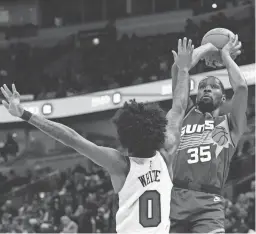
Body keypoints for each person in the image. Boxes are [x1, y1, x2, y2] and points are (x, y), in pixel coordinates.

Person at [1, 37, 202, 234]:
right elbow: (179, 106)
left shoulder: (121, 165)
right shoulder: (167, 152)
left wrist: (25, 114)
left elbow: (70, 137)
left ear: (125, 135)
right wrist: (183, 69)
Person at [169, 34, 248, 233]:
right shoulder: (185, 114)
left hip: (208, 204)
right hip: (174, 199)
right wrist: (207, 47)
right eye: (202, 87)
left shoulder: (229, 125)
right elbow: (179, 68)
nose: (206, 89)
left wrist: (225, 55)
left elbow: (241, 88)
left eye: (213, 87)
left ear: (223, 98)